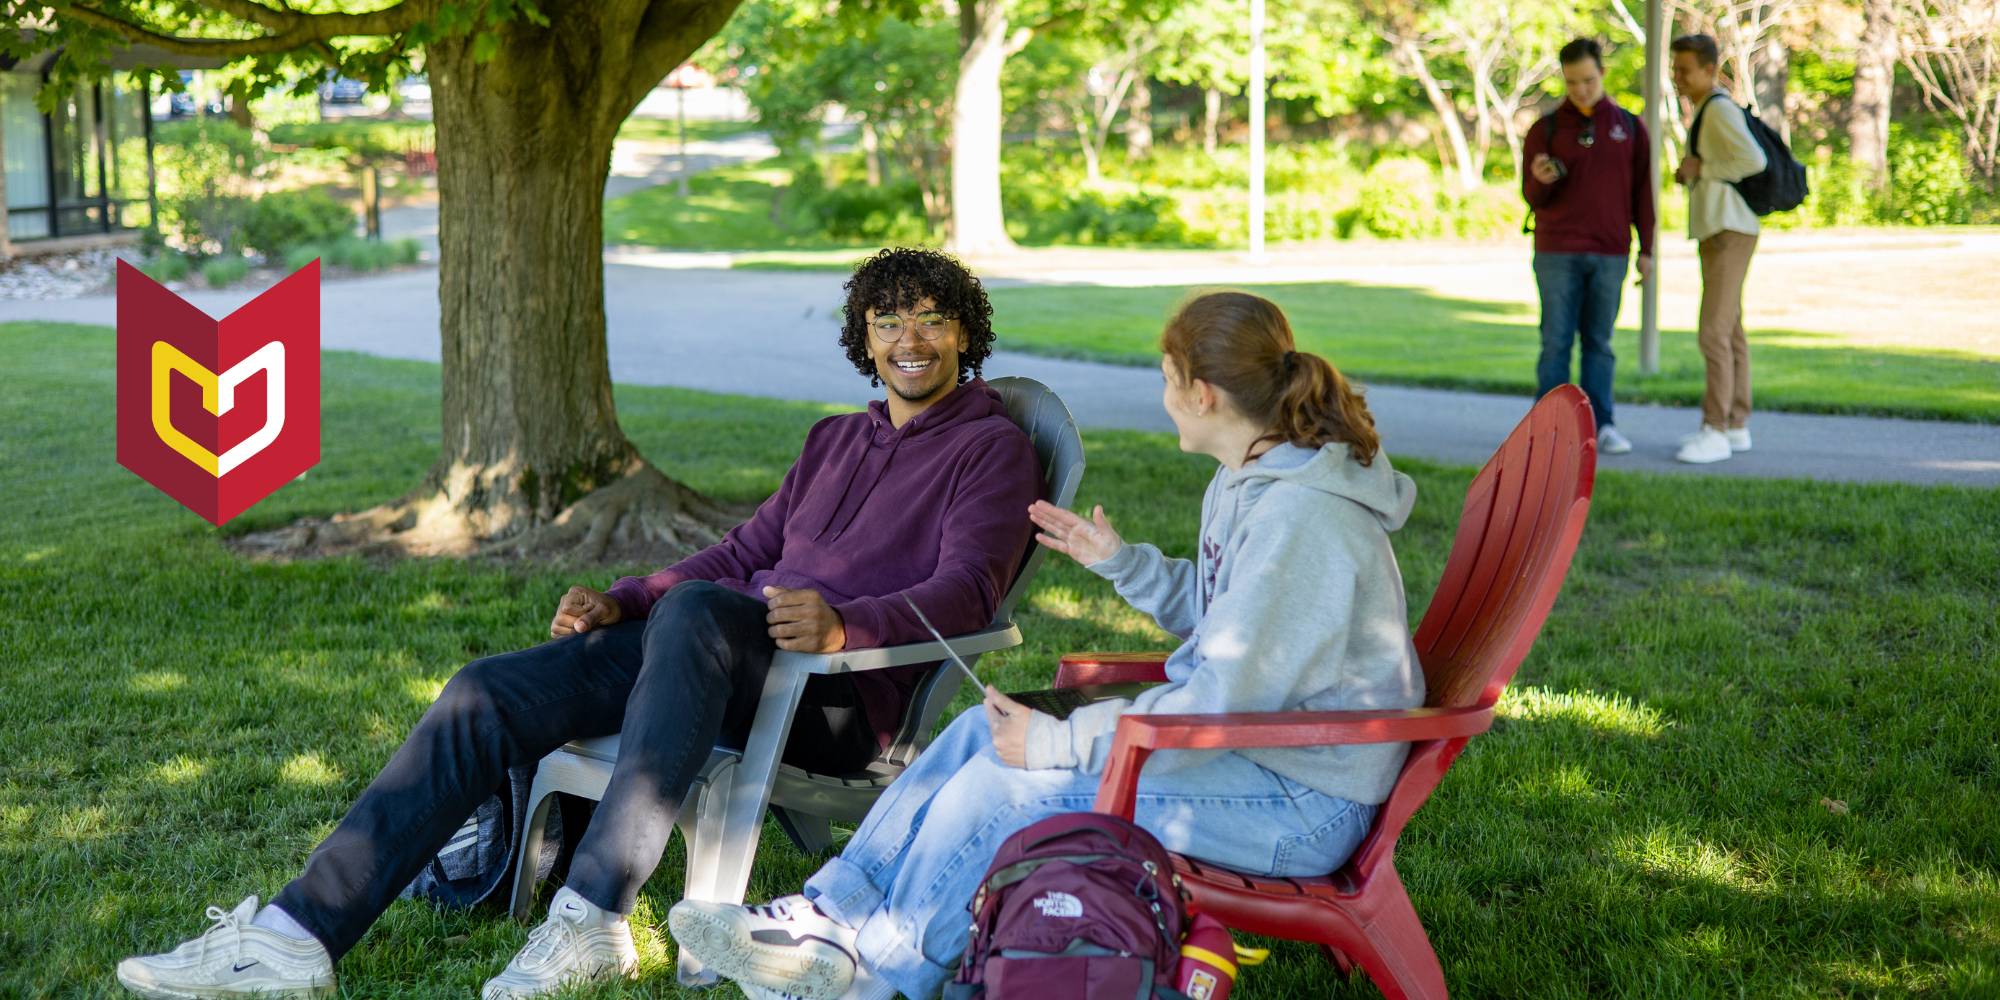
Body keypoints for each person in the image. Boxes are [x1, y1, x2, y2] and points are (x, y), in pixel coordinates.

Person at [113, 248, 1043, 1000]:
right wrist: (628, 597)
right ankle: (293, 937)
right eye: (888, 320)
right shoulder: (835, 438)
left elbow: (966, 591)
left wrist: (844, 624)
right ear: (864, 339)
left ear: (966, 332)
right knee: (490, 690)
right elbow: (739, 551)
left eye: (930, 317)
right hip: (717, 651)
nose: (909, 339)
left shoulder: (991, 448)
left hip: (836, 701)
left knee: (703, 613)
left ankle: (594, 915)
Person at [668, 291, 1428, 1000]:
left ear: (1203, 394)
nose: (1163, 399)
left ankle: (878, 969)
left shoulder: (1303, 517)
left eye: (1168, 381)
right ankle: (828, 918)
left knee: (1020, 787)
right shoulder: (1250, 477)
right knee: (977, 733)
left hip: (1300, 797)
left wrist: (1062, 743)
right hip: (1251, 749)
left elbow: (1222, 694)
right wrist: (1119, 561)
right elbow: (1223, 615)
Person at [1521, 36, 1655, 456]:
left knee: (1599, 341)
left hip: (1610, 253)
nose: (1581, 89)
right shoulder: (1544, 129)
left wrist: (1647, 250)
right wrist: (1540, 181)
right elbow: (1530, 197)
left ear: (1602, 73)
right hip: (1556, 251)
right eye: (1573, 81)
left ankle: (1603, 423)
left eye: (1588, 80)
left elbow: (1643, 195)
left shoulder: (1630, 128)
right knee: (1556, 341)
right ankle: (1548, 429)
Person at [1670, 32, 1767, 464]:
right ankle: (1737, 424)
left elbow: (1755, 160)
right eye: (1674, 69)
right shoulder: (1707, 111)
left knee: (1712, 331)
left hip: (1730, 230)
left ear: (1710, 70)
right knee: (1730, 330)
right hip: (1720, 229)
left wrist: (1703, 167)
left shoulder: (1719, 109)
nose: (1677, 77)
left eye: (1685, 70)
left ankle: (1715, 429)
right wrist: (1694, 172)